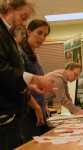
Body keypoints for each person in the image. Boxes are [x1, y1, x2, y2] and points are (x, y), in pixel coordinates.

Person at [0, 1, 54, 149]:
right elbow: (3, 71)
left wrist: (30, 85)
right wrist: (35, 80)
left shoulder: (8, 34)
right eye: (23, 16)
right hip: (8, 114)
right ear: (10, 8)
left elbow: (14, 75)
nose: (23, 22)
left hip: (16, 112)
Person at [18, 19, 52, 142]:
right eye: (39, 33)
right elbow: (20, 82)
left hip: (39, 109)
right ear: (28, 32)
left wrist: (44, 105)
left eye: (45, 35)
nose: (42, 37)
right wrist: (36, 106)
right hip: (29, 111)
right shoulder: (20, 53)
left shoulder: (35, 55)